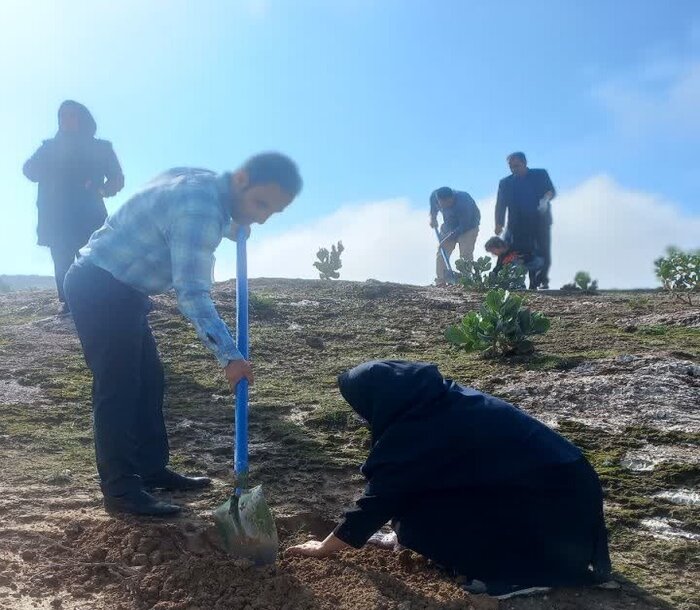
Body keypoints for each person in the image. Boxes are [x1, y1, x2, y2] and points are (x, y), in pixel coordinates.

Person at [63, 153, 302, 517]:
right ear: (241, 179)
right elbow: (191, 293)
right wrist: (230, 356)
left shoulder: (202, 182)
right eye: (260, 203)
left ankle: (150, 469)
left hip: (120, 288)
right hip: (101, 286)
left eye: (272, 211)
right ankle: (121, 491)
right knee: (119, 388)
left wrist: (231, 224)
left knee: (149, 381)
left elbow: (177, 213)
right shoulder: (200, 210)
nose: (262, 217)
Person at [287, 360, 611, 599]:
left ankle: (522, 576)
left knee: (426, 521)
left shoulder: (419, 429)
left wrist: (324, 548)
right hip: (550, 489)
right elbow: (415, 482)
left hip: (555, 506)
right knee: (421, 509)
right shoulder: (435, 401)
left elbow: (379, 500)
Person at [23, 100, 124, 314]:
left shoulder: (100, 148)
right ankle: (69, 304)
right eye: (62, 116)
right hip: (56, 215)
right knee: (62, 260)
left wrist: (101, 190)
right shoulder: (49, 147)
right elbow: (29, 170)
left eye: (71, 115)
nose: (66, 120)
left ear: (82, 118)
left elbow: (117, 178)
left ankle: (102, 300)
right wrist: (48, 165)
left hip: (90, 213)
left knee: (96, 257)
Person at [495, 153, 555, 288]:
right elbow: (500, 204)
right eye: (511, 167)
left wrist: (545, 199)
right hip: (517, 225)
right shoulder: (505, 183)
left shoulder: (540, 174)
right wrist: (499, 223)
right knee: (512, 252)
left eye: (517, 166)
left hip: (540, 222)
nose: (514, 169)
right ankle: (508, 281)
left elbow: (550, 191)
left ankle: (539, 281)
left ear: (525, 163)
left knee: (542, 252)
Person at [429, 186, 480, 285]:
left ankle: (466, 281)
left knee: (465, 254)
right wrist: (433, 218)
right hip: (449, 225)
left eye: (447, 203)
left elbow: (464, 225)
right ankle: (441, 281)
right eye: (441, 204)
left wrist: (446, 239)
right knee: (442, 252)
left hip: (468, 227)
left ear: (452, 198)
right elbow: (433, 208)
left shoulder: (464, 201)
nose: (443, 206)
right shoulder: (434, 196)